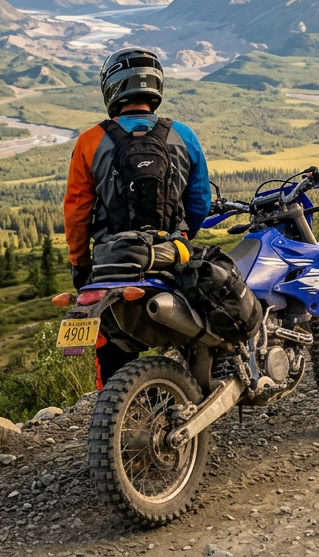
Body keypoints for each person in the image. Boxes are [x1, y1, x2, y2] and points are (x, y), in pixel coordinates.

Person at [64, 47, 212, 389]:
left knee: (110, 344)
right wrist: (182, 238)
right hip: (171, 255)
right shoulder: (183, 135)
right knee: (201, 322)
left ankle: (116, 411)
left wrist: (80, 265)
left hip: (111, 263)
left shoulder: (90, 141)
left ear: (113, 88)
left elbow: (76, 212)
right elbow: (200, 201)